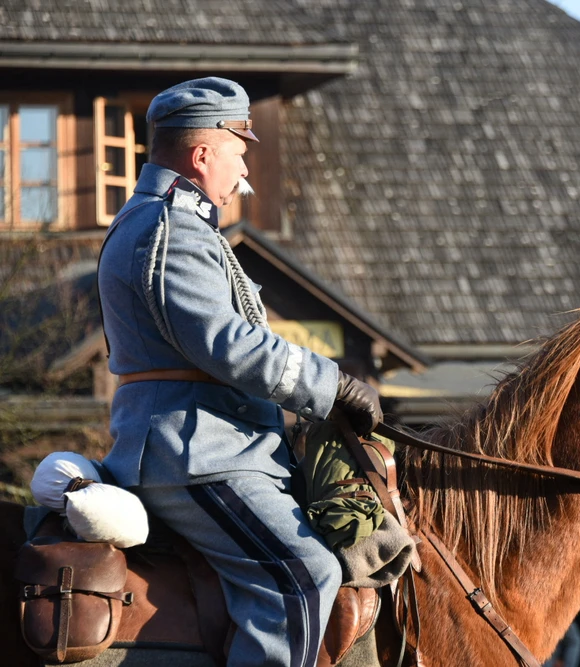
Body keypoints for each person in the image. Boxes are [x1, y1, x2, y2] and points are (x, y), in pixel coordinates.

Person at [97, 77, 382, 667]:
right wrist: (333, 385)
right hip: (195, 452)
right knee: (302, 577)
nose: (246, 165)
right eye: (239, 147)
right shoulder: (167, 229)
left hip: (218, 444)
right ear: (203, 154)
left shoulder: (180, 224)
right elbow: (229, 345)